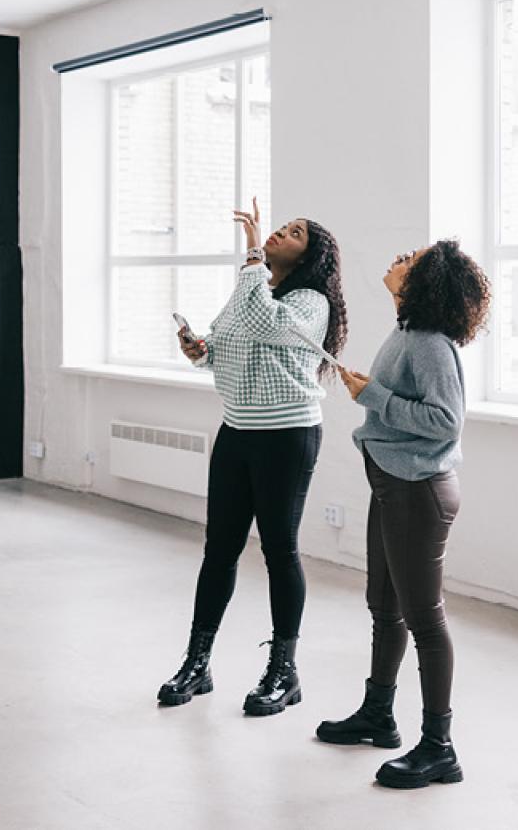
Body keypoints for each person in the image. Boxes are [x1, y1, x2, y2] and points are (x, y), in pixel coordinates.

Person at [157, 198, 348, 716]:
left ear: (308, 257)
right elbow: (229, 340)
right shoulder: (254, 287)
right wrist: (202, 350)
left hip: (287, 435)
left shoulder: (310, 301)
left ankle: (284, 672)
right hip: (237, 429)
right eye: (282, 227)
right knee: (218, 549)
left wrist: (252, 257)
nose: (279, 232)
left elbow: (265, 325)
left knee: (279, 551)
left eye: (293, 233)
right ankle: (197, 663)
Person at [316, 239, 490, 788]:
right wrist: (373, 393)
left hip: (418, 492)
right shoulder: (407, 332)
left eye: (410, 259)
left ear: (426, 280)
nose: (398, 259)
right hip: (393, 486)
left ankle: (440, 748)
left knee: (425, 621)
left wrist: (373, 396)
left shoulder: (431, 344)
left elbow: (445, 422)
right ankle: (378, 715)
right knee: (384, 608)